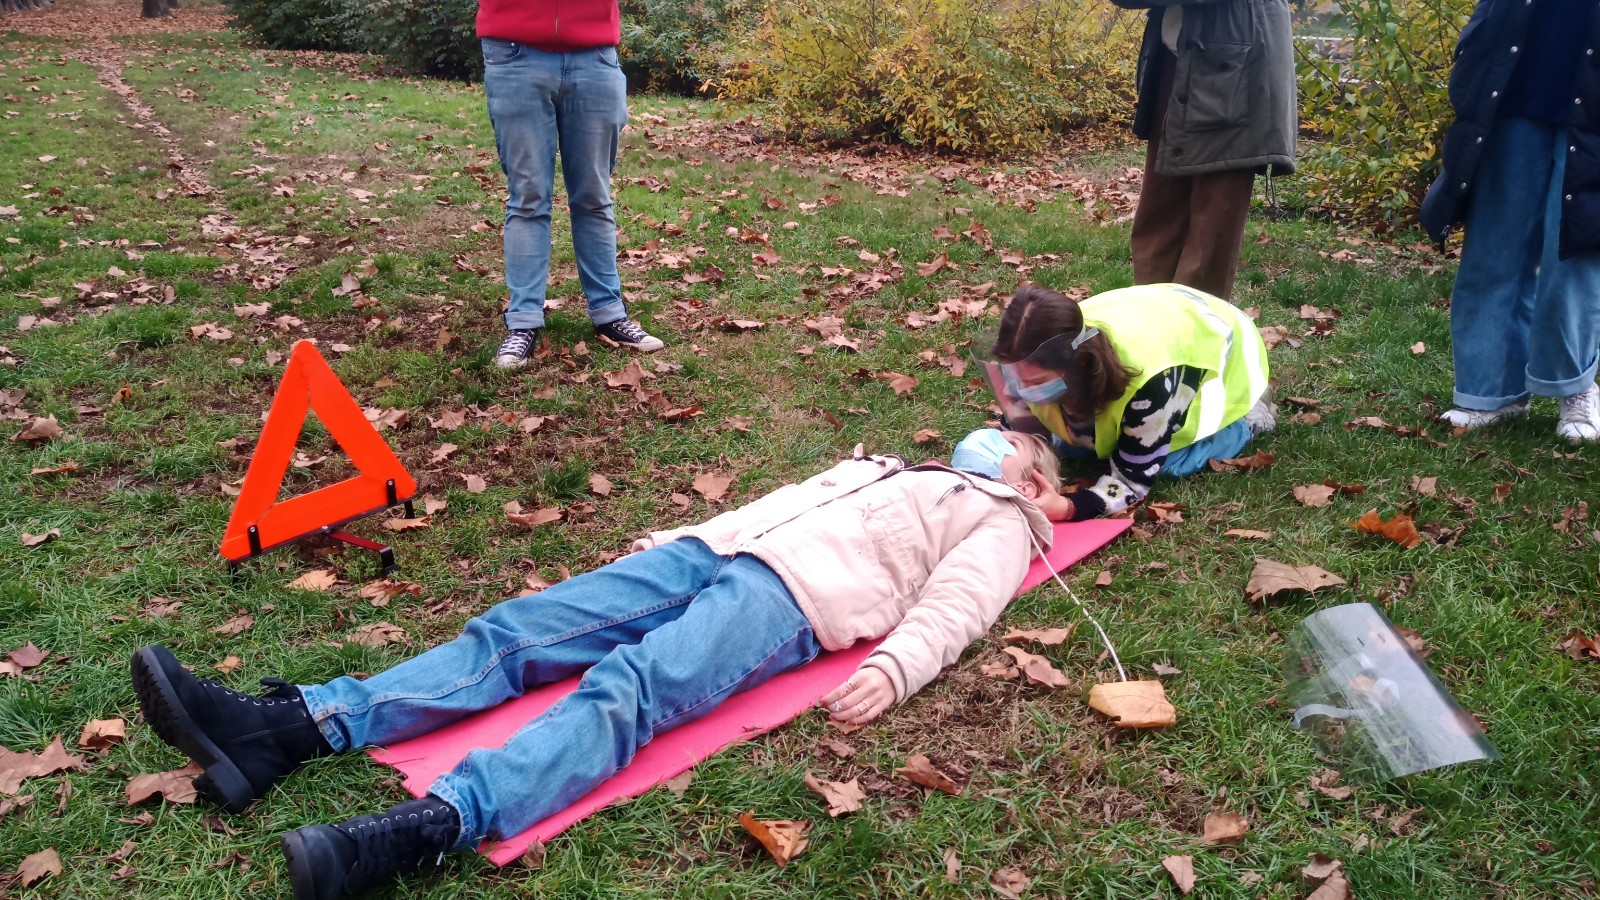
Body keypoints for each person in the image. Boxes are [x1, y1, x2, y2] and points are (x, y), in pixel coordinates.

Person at [129, 434, 1060, 899]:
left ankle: (433, 826)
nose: (991, 431)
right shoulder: (895, 465)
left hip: (790, 601)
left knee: (633, 689)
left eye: (1012, 439)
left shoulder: (1004, 519)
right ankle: (289, 728)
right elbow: (782, 503)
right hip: (713, 554)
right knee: (516, 633)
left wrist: (897, 667)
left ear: (1031, 481)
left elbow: (960, 606)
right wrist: (687, 536)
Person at [1419, 0, 1600, 443]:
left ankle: (1575, 386)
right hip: (1513, 85)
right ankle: (1488, 393)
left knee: (1573, 253)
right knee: (1492, 249)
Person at [976, 282, 1275, 521]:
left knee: (1166, 463)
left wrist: (1068, 507)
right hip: (1158, 310)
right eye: (1015, 376)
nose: (1020, 389)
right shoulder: (1030, 356)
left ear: (1079, 365)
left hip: (1223, 339)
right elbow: (1021, 426)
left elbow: (1131, 484)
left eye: (1037, 382)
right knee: (1074, 444)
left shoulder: (1148, 383)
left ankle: (1251, 419)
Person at [476, 0, 665, 368]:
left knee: (594, 197)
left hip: (595, 54)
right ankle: (523, 322)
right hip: (514, 52)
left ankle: (610, 314)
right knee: (528, 198)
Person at [1110, 0, 1297, 300]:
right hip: (1175, 59)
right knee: (1158, 221)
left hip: (1237, 68)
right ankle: (1151, 319)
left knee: (1210, 235)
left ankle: (1194, 325)